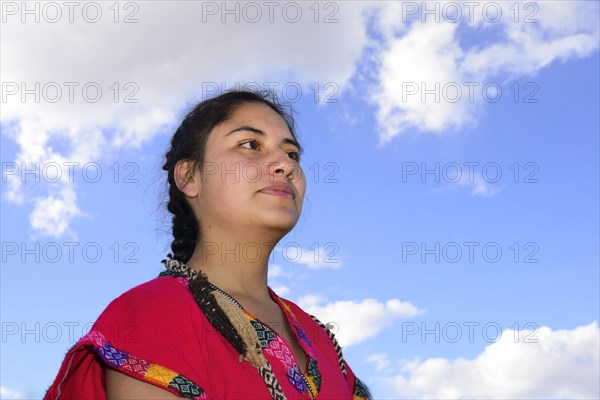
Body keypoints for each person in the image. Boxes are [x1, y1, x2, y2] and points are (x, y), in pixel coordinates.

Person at [44, 90, 372, 399]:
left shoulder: (318, 336)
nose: (285, 165)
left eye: (291, 153)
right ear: (189, 177)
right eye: (250, 144)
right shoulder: (153, 315)